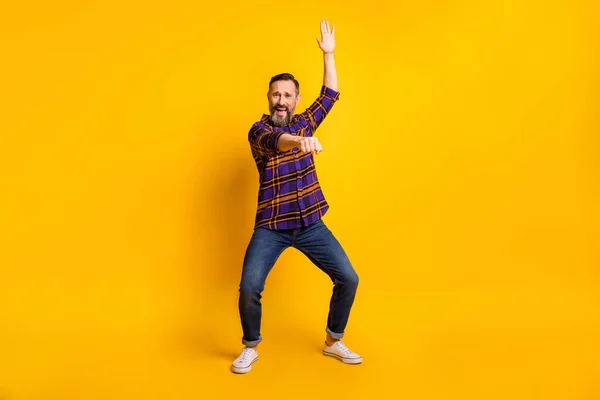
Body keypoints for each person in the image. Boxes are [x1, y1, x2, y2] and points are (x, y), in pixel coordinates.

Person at [232, 20, 361, 374]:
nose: (281, 100)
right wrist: (298, 142)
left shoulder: (306, 121)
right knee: (248, 288)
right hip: (271, 227)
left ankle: (334, 341)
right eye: (276, 94)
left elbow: (329, 95)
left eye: (288, 95)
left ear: (296, 99)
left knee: (348, 278)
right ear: (268, 97)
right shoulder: (259, 131)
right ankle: (250, 347)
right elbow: (278, 142)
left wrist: (329, 55)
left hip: (310, 225)